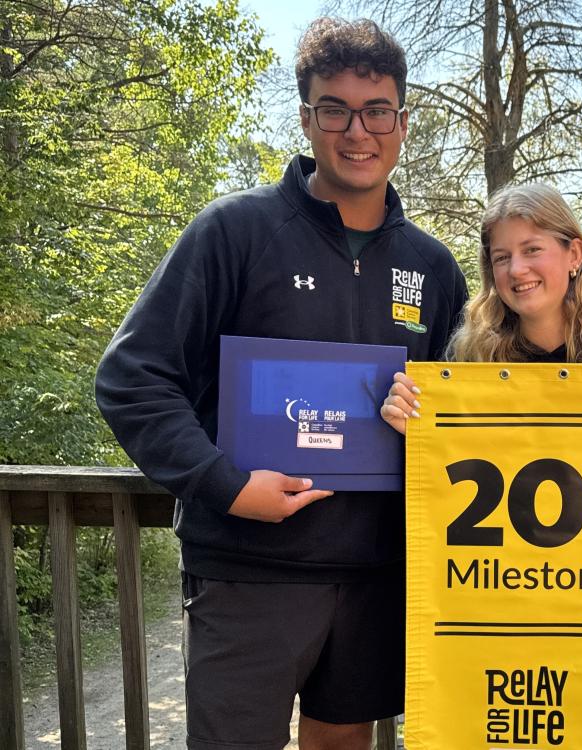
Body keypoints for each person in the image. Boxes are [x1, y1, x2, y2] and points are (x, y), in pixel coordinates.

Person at [95, 18, 467, 750]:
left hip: (374, 572)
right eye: (335, 109)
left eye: (377, 111)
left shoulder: (432, 267)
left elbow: (477, 405)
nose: (357, 131)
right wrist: (223, 483)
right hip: (247, 569)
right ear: (306, 118)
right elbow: (132, 378)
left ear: (401, 121)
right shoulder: (233, 231)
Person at [380, 182, 582, 493]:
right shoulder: (463, 366)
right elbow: (440, 493)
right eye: (502, 257)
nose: (517, 269)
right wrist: (415, 435)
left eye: (532, 249)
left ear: (574, 254)